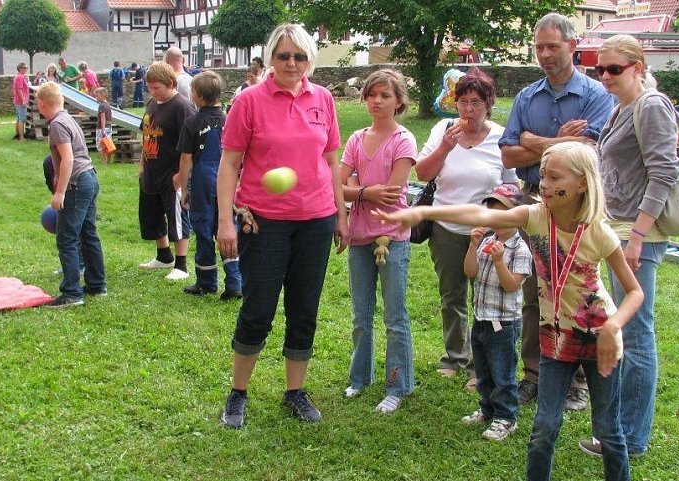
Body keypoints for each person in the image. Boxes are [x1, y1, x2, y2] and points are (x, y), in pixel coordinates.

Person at [375, 141, 644, 481]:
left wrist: (614, 326)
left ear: (582, 183)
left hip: (598, 338)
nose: (544, 184)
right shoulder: (534, 216)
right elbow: (484, 215)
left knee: (608, 430)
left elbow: (635, 292)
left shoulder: (598, 233)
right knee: (544, 428)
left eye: (554, 178)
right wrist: (425, 212)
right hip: (555, 339)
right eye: (542, 176)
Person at [216, 23, 348, 429]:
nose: (292, 63)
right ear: (271, 57)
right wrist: (225, 220)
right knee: (258, 308)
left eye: (300, 56)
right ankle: (238, 393)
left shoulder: (322, 99)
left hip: (316, 219)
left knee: (304, 309)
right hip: (265, 222)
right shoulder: (249, 101)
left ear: (310, 59)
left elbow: (330, 162)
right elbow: (230, 164)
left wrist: (341, 215)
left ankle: (295, 391)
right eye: (283, 55)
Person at [499, 12, 613, 410]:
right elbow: (509, 154)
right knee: (534, 291)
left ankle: (578, 381)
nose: (545, 54)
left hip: (578, 208)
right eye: (539, 47)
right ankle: (535, 373)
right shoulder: (527, 97)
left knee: (578, 290)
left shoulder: (597, 96)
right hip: (534, 197)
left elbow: (589, 153)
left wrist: (533, 140)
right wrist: (553, 141)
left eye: (553, 46)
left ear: (572, 45)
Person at [577, 34, 679, 459]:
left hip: (638, 235)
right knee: (625, 331)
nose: (604, 77)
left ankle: (630, 439)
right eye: (598, 69)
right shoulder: (623, 106)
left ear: (638, 66)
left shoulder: (651, 105)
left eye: (614, 69)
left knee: (635, 335)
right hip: (617, 228)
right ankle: (618, 430)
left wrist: (637, 235)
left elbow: (664, 173)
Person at [414, 67, 517, 391]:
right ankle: (454, 357)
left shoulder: (501, 137)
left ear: (488, 104)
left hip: (485, 230)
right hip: (445, 226)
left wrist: (496, 220)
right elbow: (421, 172)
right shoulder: (443, 130)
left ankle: (478, 366)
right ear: (454, 103)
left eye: (476, 102)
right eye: (463, 102)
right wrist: (444, 147)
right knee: (451, 295)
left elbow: (511, 187)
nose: (468, 110)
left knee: (485, 299)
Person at [340, 69, 417, 413]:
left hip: (392, 237)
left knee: (394, 317)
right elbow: (336, 184)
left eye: (385, 95)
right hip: (359, 237)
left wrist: (357, 190)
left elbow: (392, 193)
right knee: (361, 314)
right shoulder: (356, 138)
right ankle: (360, 378)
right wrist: (363, 190)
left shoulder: (403, 140)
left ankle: (398, 386)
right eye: (372, 94)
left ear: (399, 101)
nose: (377, 101)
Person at [460, 184, 532, 441]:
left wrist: (500, 261)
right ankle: (487, 408)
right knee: (484, 370)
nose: (496, 219)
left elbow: (512, 285)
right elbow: (470, 272)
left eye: (503, 213)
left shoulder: (519, 249)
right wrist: (472, 246)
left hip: (503, 323)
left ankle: (506, 417)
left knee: (503, 372)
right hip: (481, 317)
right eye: (492, 213)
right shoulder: (487, 242)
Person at [36, 82, 107, 308]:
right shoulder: (67, 118)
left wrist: (60, 192)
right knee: (88, 234)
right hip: (90, 177)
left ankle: (72, 294)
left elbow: (68, 159)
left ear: (41, 103)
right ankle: (97, 285)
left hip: (77, 183)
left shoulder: (57, 124)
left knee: (67, 238)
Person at [175, 71, 243, 300]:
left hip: (203, 179)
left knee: (203, 229)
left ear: (197, 96)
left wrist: (185, 189)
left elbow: (186, 158)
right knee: (228, 228)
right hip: (227, 178)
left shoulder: (193, 122)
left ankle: (206, 282)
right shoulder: (229, 120)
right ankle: (235, 282)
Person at [138, 62, 196, 280]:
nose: (153, 92)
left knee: (177, 217)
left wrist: (182, 175)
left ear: (170, 84)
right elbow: (146, 134)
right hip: (152, 170)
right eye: (150, 88)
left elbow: (188, 145)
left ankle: (181, 265)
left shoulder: (182, 107)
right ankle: (164, 256)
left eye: (157, 88)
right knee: (152, 215)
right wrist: (142, 164)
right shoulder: (153, 104)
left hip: (172, 172)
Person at [93, 87, 113, 164]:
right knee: (108, 144)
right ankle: (108, 161)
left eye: (97, 96)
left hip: (101, 128)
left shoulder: (101, 106)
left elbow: (102, 119)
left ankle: (103, 162)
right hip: (109, 127)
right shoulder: (108, 105)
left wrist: (103, 130)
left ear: (102, 96)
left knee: (100, 146)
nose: (96, 98)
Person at [12, 62, 30, 141]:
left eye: (26, 68)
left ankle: (17, 134)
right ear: (20, 68)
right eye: (25, 68)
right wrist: (23, 100)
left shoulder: (18, 76)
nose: (26, 69)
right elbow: (19, 89)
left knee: (19, 118)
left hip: (17, 100)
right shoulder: (20, 77)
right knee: (22, 119)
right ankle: (21, 137)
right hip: (20, 101)